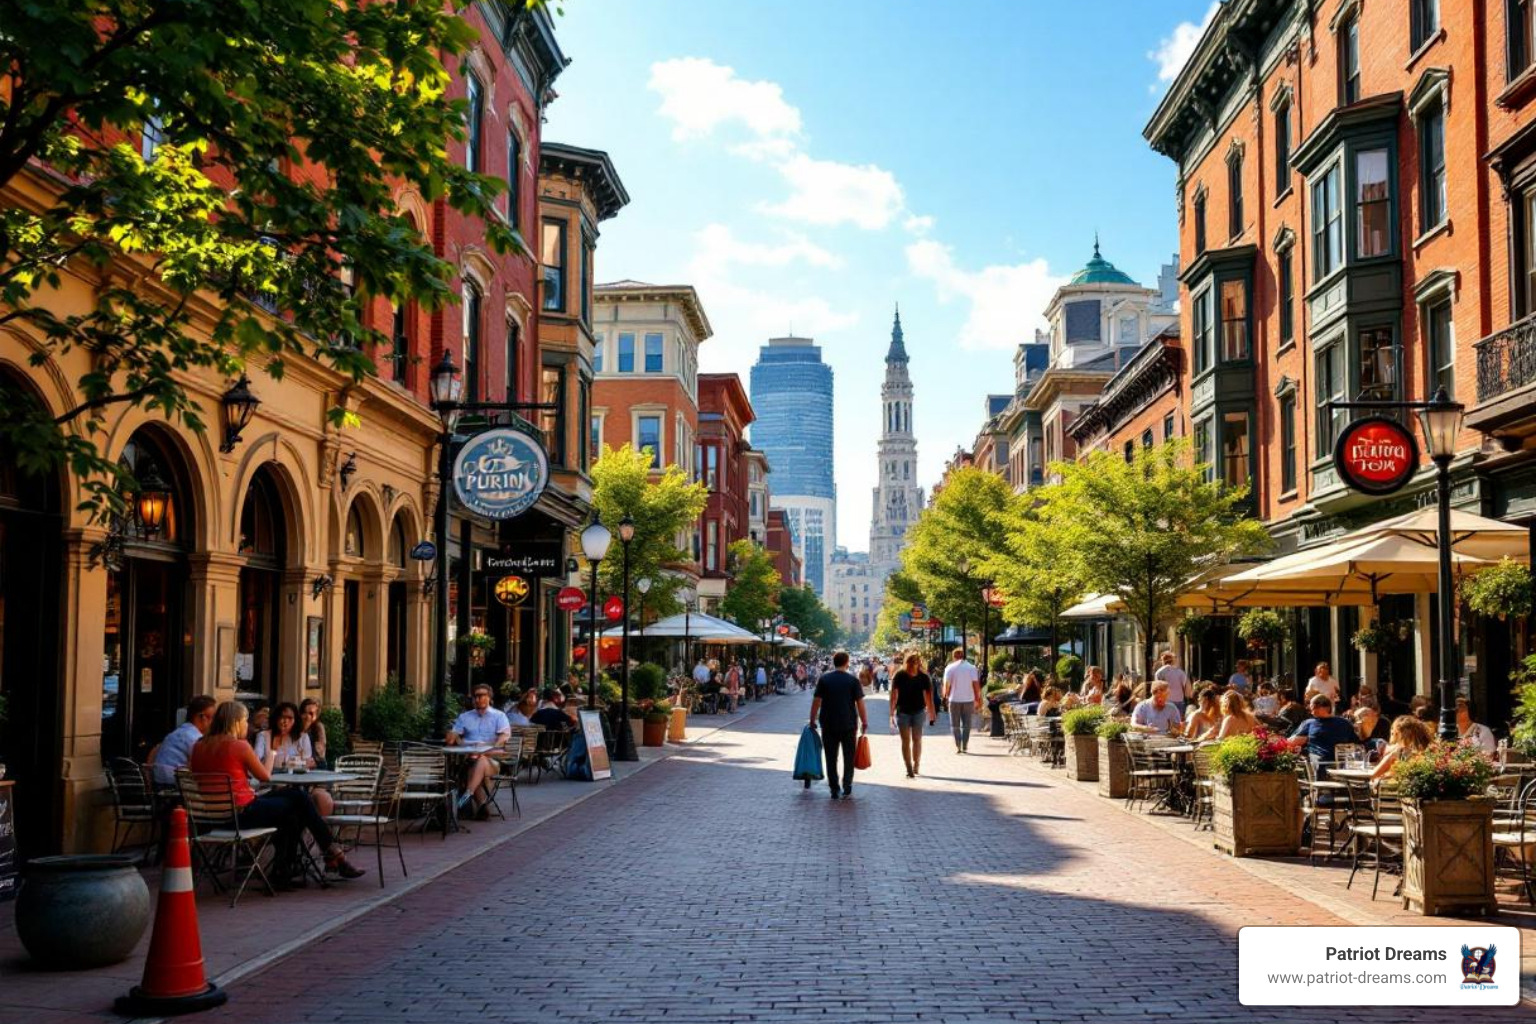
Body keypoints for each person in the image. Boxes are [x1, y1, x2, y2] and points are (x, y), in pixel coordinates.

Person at [189, 701, 364, 881]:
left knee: (297, 800)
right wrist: (272, 752)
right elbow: (264, 775)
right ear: (235, 722)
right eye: (245, 720)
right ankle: (330, 855)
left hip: (209, 818)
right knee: (298, 804)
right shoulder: (239, 746)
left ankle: (286, 870)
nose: (247, 726)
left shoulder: (198, 746)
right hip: (241, 814)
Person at [445, 684, 512, 820]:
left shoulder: (499, 716)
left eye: (481, 695)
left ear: (489, 698)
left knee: (480, 760)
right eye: (475, 696)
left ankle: (464, 799)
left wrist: (488, 749)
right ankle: (480, 804)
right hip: (468, 759)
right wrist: (453, 735)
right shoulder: (465, 717)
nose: (478, 699)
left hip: (491, 759)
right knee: (475, 764)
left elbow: (503, 738)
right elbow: (452, 737)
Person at [809, 651, 868, 800]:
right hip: (848, 724)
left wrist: (812, 720)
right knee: (849, 756)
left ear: (834, 662)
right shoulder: (853, 681)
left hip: (828, 724)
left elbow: (816, 701)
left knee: (831, 757)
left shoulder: (824, 679)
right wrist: (864, 720)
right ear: (847, 662)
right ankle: (847, 785)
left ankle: (834, 788)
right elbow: (860, 703)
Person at [149, 695, 217, 787]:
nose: (214, 722)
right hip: (173, 784)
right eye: (212, 718)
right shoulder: (194, 737)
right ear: (202, 717)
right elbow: (204, 765)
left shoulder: (179, 731)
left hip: (158, 781)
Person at [889, 652, 936, 779]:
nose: (913, 664)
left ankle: (916, 764)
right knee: (905, 740)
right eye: (911, 662)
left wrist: (932, 713)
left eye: (915, 662)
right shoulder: (899, 675)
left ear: (919, 662)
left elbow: (928, 697)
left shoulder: (924, 677)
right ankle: (908, 767)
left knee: (917, 739)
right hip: (902, 712)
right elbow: (893, 695)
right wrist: (891, 714)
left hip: (919, 712)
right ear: (906, 662)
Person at [1286, 696, 1359, 769]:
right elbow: (1355, 743)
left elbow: (1291, 741)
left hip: (1322, 764)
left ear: (1323, 707)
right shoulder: (1345, 723)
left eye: (1312, 707)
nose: (1310, 711)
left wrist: (1307, 739)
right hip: (1338, 765)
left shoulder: (1310, 723)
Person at [942, 648, 983, 754]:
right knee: (966, 725)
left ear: (953, 656)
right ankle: (964, 745)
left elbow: (947, 685)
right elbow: (976, 685)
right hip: (968, 699)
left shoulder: (949, 668)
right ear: (963, 655)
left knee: (955, 725)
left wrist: (945, 697)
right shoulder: (971, 668)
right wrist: (977, 699)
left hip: (954, 699)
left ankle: (958, 746)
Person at [1372, 715, 1435, 780]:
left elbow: (1373, 774)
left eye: (1394, 730)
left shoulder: (1399, 751)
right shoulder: (1428, 750)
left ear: (1399, 733)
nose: (1392, 732)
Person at [298, 698, 327, 768]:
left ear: (316, 715)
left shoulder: (318, 727)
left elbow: (320, 754)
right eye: (304, 712)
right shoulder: (296, 726)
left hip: (316, 765)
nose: (307, 716)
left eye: (311, 713)